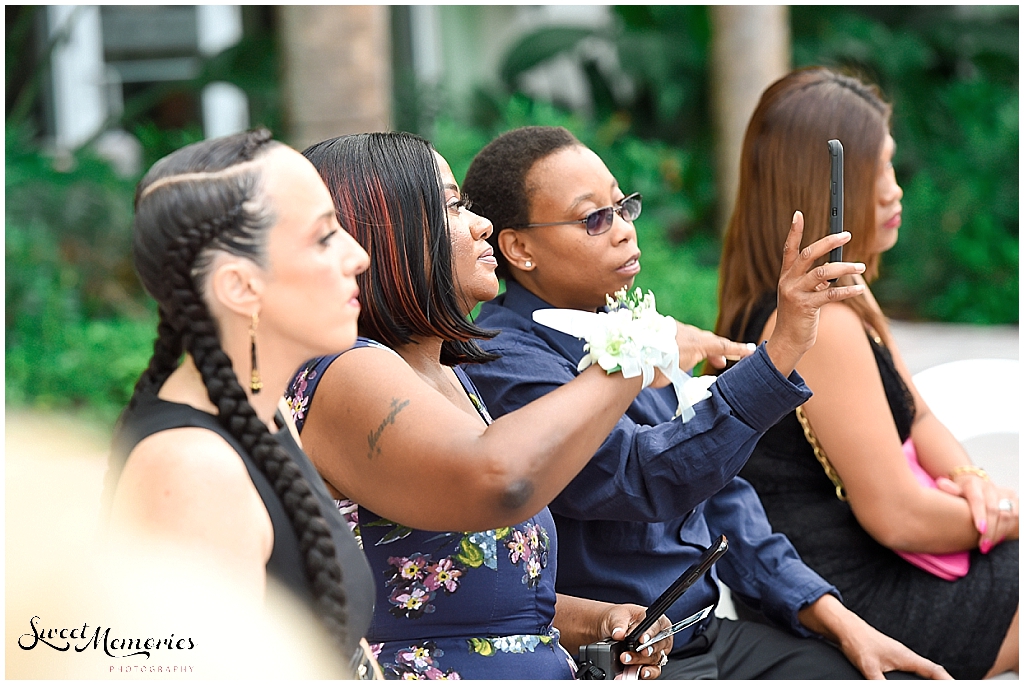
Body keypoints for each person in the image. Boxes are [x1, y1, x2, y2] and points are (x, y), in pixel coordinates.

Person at [460, 125, 951, 679]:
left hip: (707, 632)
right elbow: (642, 476)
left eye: (623, 207)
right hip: (625, 655)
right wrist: (782, 348)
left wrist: (835, 617)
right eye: (593, 218)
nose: (622, 230)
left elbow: (721, 497)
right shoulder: (502, 360)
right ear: (519, 248)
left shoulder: (621, 322)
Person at [284, 132, 676, 680]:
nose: (481, 223)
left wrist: (597, 620)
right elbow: (499, 479)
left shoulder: (450, 372)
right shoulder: (345, 368)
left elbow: (458, 594)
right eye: (451, 205)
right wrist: (632, 350)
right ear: (388, 236)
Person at [715, 67, 1019, 680]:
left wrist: (970, 478)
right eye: (877, 171)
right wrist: (1005, 517)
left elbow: (919, 412)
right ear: (823, 185)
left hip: (863, 575)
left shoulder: (839, 299)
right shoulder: (813, 325)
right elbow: (899, 516)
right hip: (858, 597)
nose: (895, 190)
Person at [102, 129, 378, 677]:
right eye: (325, 237)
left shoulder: (265, 414)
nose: (359, 255)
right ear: (241, 286)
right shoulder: (191, 471)